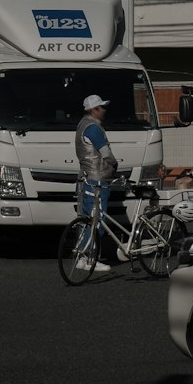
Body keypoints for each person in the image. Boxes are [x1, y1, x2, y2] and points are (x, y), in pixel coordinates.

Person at [74, 93, 118, 272]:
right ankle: (90, 258)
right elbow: (105, 153)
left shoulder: (81, 125)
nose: (104, 110)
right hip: (97, 179)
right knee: (97, 220)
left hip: (86, 178)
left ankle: (82, 258)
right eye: (101, 107)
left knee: (86, 219)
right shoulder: (93, 128)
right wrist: (115, 164)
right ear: (94, 109)